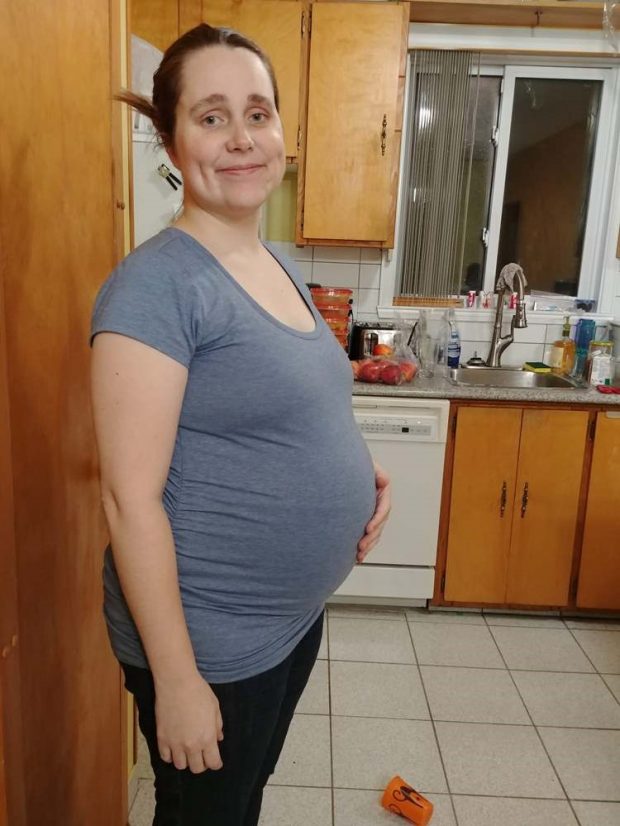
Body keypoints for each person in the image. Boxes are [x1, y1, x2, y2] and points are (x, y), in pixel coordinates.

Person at [90, 23, 391, 826]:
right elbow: (129, 500)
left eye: (257, 113)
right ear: (169, 135)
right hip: (212, 644)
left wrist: (365, 476)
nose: (241, 139)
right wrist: (179, 680)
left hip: (285, 624)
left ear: (283, 132)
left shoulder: (273, 260)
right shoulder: (154, 289)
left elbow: (298, 402)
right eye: (212, 116)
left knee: (238, 809)